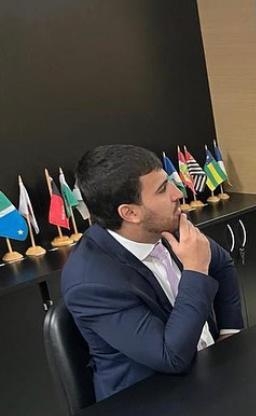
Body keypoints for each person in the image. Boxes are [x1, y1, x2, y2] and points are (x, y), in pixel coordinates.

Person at [62, 145, 244, 400]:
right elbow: (171, 357)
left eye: (168, 182)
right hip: (150, 402)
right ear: (130, 213)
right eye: (162, 190)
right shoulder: (92, 283)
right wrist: (195, 270)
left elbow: (222, 264)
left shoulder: (168, 223)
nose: (177, 193)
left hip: (209, 371)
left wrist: (230, 332)